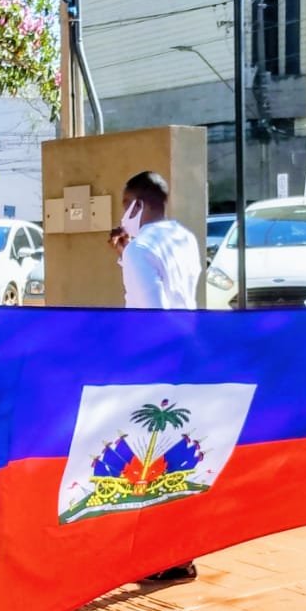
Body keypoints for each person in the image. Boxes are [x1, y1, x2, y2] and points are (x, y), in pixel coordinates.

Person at [110, 171, 204, 584]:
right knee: (181, 459)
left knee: (150, 461)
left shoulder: (140, 249)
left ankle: (157, 555)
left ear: (135, 205)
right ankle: (182, 552)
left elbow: (152, 313)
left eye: (124, 205)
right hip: (191, 359)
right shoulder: (183, 238)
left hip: (154, 364)